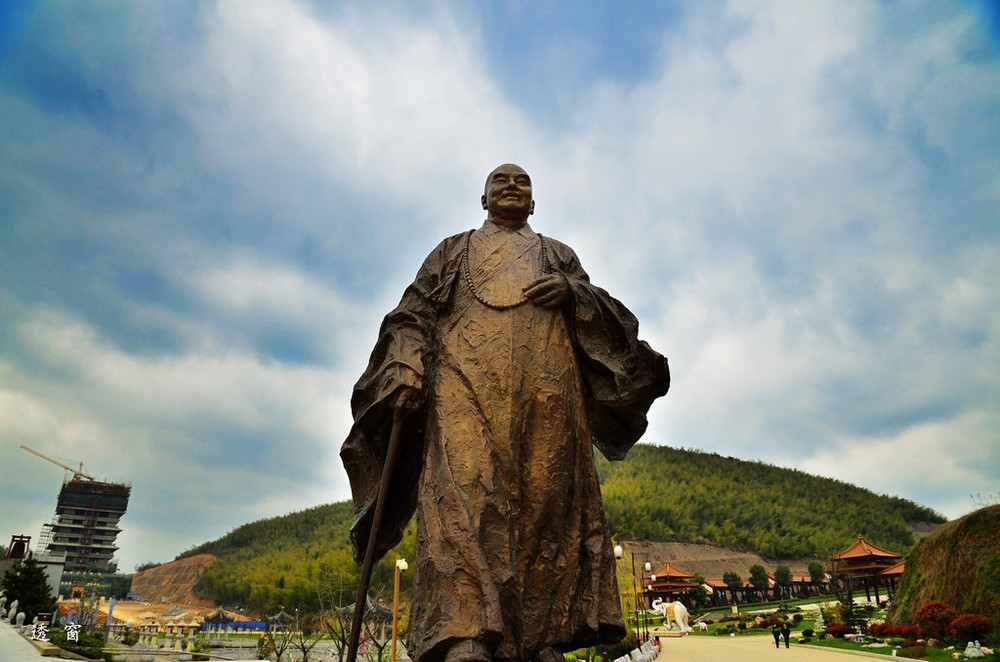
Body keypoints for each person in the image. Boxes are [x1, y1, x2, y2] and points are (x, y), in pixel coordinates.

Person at [341, 164, 670, 662]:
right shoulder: (452, 252)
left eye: (523, 182)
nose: (512, 185)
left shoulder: (558, 255)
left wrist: (574, 294)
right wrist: (406, 365)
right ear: (483, 199)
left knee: (547, 507)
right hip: (463, 390)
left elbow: (608, 320)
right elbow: (411, 314)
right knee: (462, 500)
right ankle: (464, 633)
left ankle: (541, 638)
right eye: (501, 180)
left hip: (548, 393)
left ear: (533, 204)